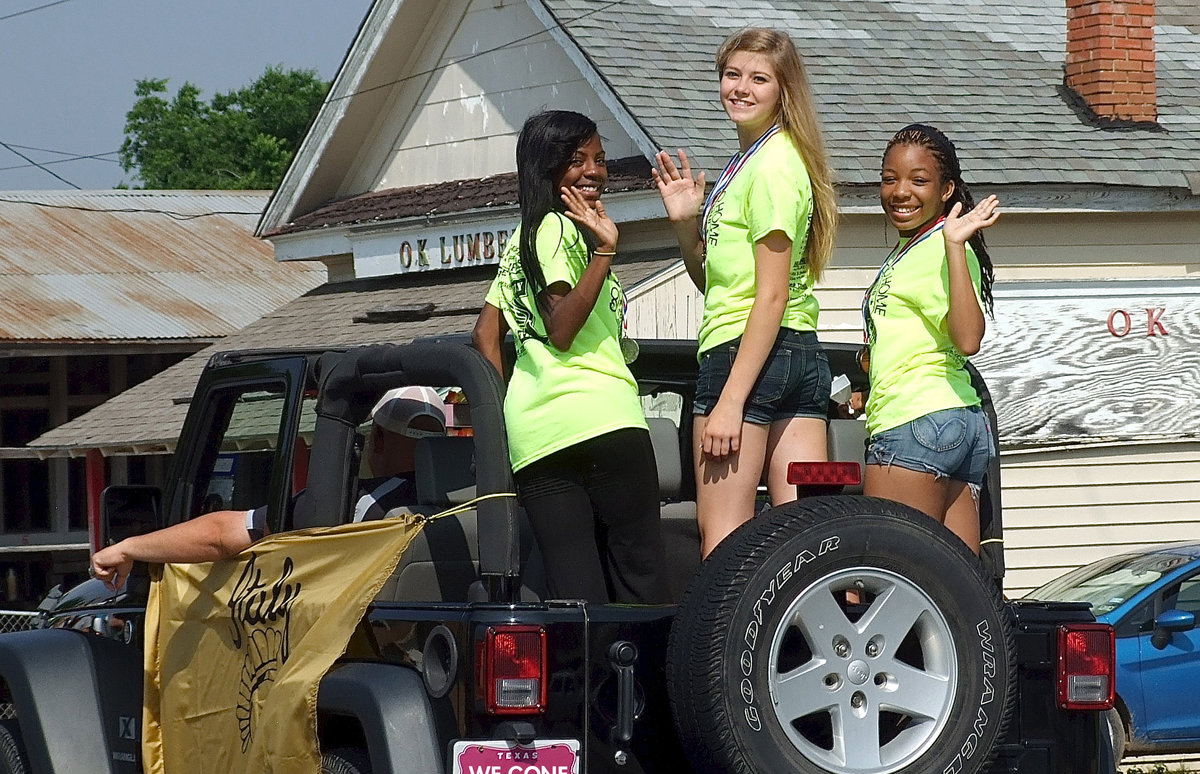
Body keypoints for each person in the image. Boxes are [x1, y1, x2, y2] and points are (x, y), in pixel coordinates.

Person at [652, 27, 838, 558]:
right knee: (807, 539)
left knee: (725, 540)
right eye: (732, 74)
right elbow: (717, 284)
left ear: (784, 89)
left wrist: (731, 400)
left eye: (758, 78)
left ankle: (724, 644)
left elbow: (771, 296)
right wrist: (688, 226)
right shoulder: (757, 161)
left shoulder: (774, 165)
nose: (741, 87)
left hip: (747, 355)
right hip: (796, 357)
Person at [472, 110, 668, 605]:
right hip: (603, 422)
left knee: (574, 597)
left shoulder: (522, 238)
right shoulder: (560, 231)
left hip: (536, 437)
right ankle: (646, 684)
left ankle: (587, 685)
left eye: (599, 159)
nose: (594, 171)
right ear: (547, 167)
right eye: (576, 160)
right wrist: (605, 252)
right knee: (640, 580)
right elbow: (561, 330)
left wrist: (506, 415)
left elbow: (483, 336)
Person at [90, 386, 446, 590]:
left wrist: (129, 547)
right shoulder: (484, 503)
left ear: (377, 438)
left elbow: (220, 535)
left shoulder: (353, 505)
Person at [861, 123, 1001, 553]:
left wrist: (956, 246)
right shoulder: (915, 247)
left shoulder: (944, 245)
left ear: (946, 191)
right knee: (954, 591)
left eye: (919, 180)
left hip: (915, 423)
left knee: (889, 572)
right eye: (890, 179)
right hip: (957, 423)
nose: (900, 191)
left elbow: (968, 338)